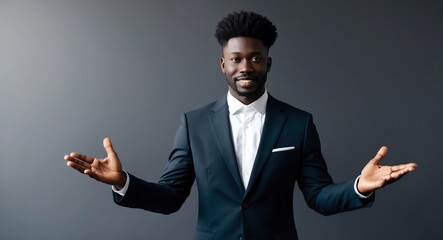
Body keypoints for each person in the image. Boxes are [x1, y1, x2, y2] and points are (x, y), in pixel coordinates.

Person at [64, 11, 417, 240]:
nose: (245, 66)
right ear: (223, 65)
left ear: (268, 64)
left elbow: (319, 197)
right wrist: (124, 183)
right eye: (236, 59)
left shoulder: (298, 123)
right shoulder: (194, 124)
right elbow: (171, 197)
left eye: (255, 58)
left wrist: (359, 186)